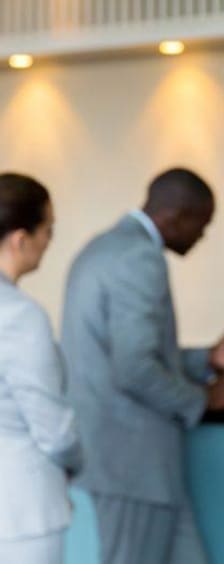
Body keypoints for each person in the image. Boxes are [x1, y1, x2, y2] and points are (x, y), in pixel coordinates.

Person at [61, 168, 224, 564]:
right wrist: (206, 398)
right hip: (133, 464)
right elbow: (134, 368)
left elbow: (132, 353)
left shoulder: (103, 247)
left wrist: (208, 358)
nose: (202, 236)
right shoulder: (140, 257)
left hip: (137, 465)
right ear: (177, 216)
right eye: (202, 225)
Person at [0, 173, 83, 563]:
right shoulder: (19, 315)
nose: (49, 241)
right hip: (20, 508)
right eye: (47, 229)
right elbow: (53, 429)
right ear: (20, 239)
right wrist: (75, 458)